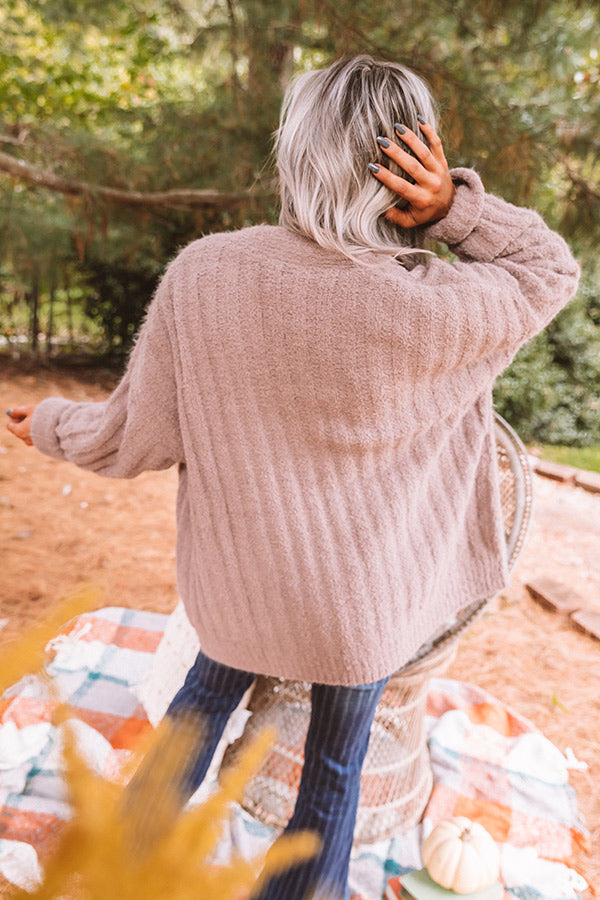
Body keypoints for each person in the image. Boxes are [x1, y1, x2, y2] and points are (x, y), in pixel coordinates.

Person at [6, 55, 580, 900]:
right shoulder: (437, 306)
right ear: (407, 167)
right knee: (334, 771)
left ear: (295, 150)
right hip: (363, 616)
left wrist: (49, 422)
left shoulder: (207, 277)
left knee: (195, 717)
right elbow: (548, 269)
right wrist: (460, 209)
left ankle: (120, 874)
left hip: (240, 595)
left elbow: (130, 436)